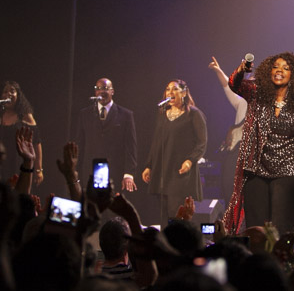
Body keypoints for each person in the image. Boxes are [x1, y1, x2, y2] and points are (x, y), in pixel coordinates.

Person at [222, 52, 294, 235]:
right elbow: (233, 84)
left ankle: (280, 260)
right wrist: (242, 69)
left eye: (286, 68)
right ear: (269, 70)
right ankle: (258, 261)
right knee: (256, 227)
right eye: (276, 67)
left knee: (281, 226)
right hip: (256, 168)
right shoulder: (256, 93)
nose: (279, 71)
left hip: (287, 169)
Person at [142, 79, 207, 227]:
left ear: (184, 93)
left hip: (180, 173)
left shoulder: (193, 114)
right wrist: (149, 165)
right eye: (168, 89)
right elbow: (157, 142)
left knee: (176, 213)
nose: (170, 92)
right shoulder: (163, 113)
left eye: (175, 89)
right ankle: (166, 246)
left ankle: (178, 246)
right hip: (163, 171)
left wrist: (190, 160)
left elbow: (201, 142)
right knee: (163, 215)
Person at [0, 81, 44, 185]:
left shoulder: (25, 116)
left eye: (12, 91)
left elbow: (36, 142)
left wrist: (39, 170)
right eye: (5, 92)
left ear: (18, 95)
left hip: (15, 165)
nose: (8, 94)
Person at [75, 78, 137, 192]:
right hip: (90, 172)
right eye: (98, 89)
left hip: (115, 173)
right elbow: (80, 144)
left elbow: (130, 147)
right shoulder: (85, 114)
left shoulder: (126, 115)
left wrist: (129, 173)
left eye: (105, 88)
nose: (101, 91)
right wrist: (75, 169)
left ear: (112, 91)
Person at [208, 56, 248, 209]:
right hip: (236, 152)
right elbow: (227, 85)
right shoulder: (242, 101)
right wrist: (218, 70)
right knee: (229, 187)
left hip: (256, 154)